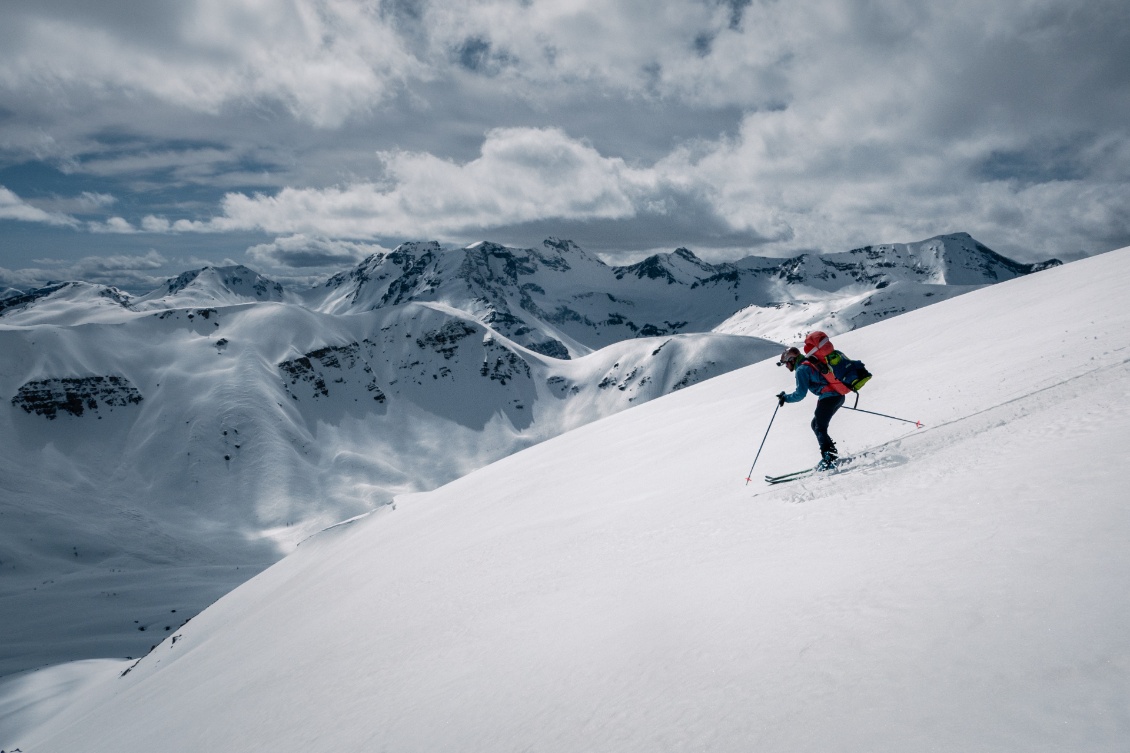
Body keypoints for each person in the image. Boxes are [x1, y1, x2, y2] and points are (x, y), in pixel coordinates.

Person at [776, 346, 844, 469]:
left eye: (786, 363)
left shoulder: (802, 369)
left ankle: (829, 458)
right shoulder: (809, 362)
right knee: (816, 425)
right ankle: (831, 453)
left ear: (792, 360)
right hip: (837, 396)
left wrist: (785, 398)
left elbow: (800, 394)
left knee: (819, 426)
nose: (786, 366)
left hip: (829, 397)